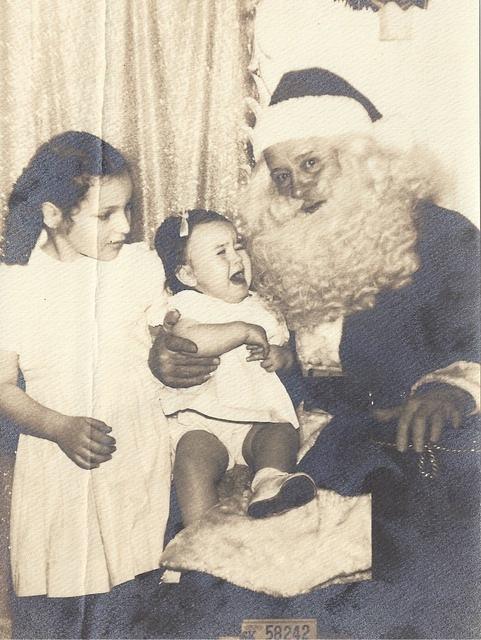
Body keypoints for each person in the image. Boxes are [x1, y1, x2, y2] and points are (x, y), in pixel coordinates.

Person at [148, 69, 480, 639]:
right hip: (311, 444)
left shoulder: (445, 235)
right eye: (281, 175)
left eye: (310, 164)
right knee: (213, 583)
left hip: (413, 453)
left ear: (362, 158)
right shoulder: (276, 252)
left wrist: (448, 388)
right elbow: (250, 340)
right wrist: (170, 359)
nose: (296, 187)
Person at [0, 131, 171, 638]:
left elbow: (165, 337)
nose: (125, 225)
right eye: (106, 214)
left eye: (128, 208)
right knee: (57, 592)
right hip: (61, 454)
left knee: (129, 592)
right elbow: (4, 386)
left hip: (135, 448)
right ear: (53, 214)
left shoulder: (139, 266)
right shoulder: (17, 283)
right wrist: (57, 428)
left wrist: (171, 348)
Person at [154, 209, 316, 525]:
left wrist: (281, 357)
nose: (237, 258)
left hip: (257, 418)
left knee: (282, 431)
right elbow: (191, 341)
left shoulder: (263, 307)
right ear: (188, 275)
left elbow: (283, 348)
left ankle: (269, 480)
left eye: (238, 245)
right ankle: (200, 530)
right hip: (202, 420)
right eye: (221, 252)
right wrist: (240, 330)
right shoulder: (187, 304)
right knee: (191, 457)